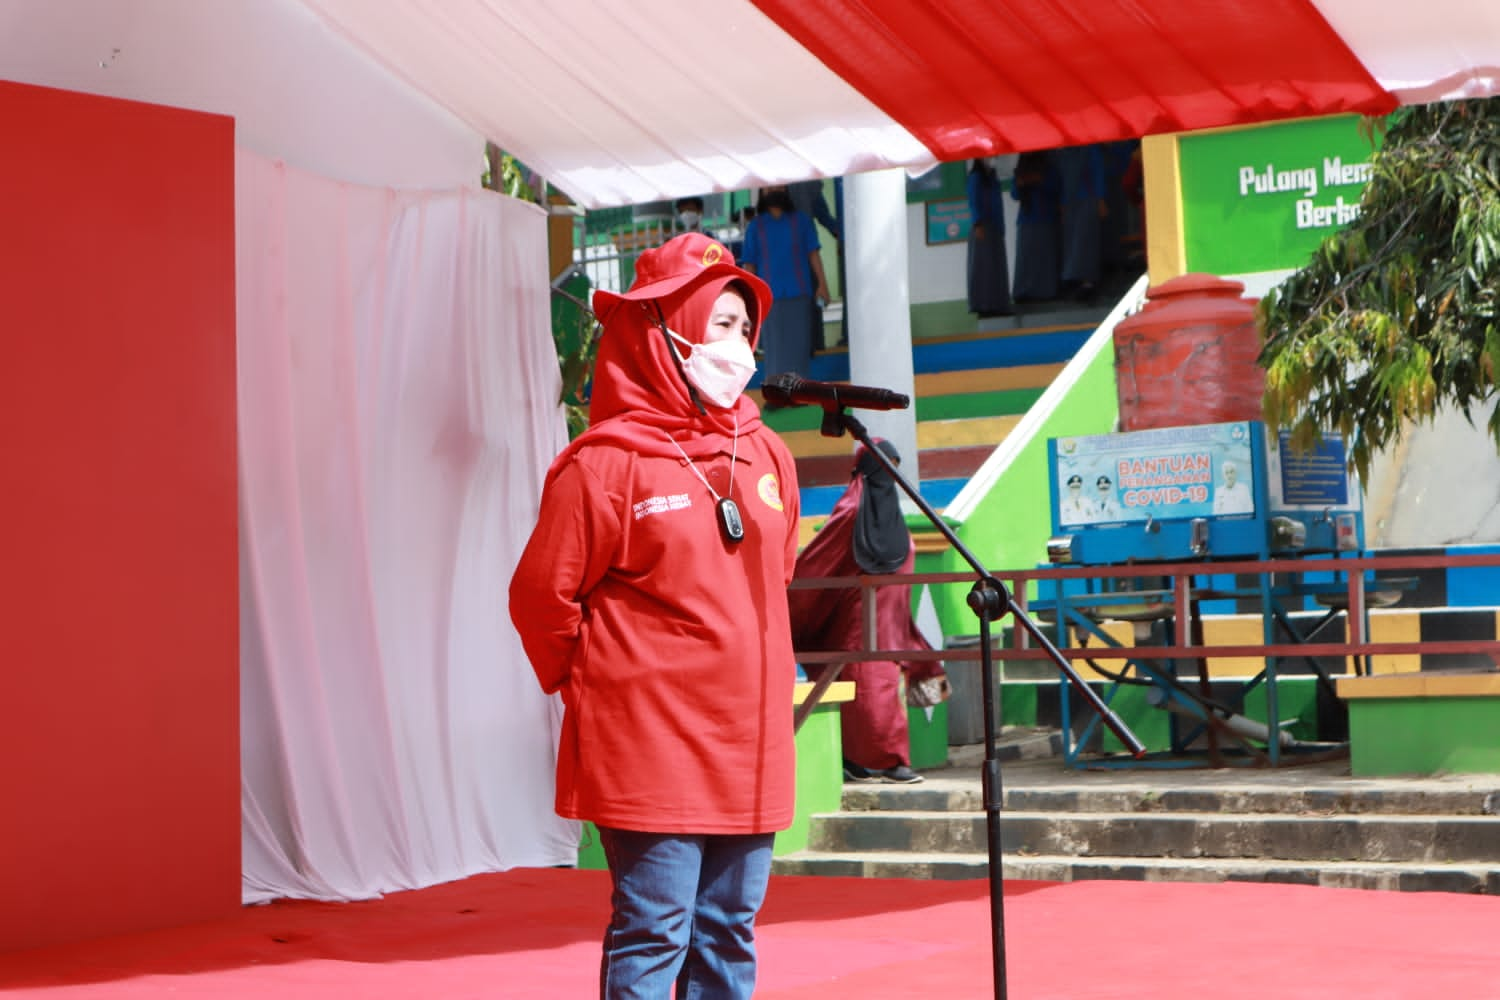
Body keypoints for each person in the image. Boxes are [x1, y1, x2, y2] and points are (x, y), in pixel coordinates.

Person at [509, 232, 801, 1000]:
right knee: (656, 929)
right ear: (662, 336)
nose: (739, 347)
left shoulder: (769, 453)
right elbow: (541, 597)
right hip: (650, 741)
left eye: (746, 328)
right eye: (721, 325)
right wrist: (602, 686)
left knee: (728, 934)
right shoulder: (604, 465)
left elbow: (776, 577)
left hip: (751, 738)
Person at [788, 440, 948, 785]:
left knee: (881, 690)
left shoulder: (889, 514)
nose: (889, 474)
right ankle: (884, 762)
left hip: (891, 621)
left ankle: (878, 761)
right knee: (867, 694)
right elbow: (817, 562)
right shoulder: (852, 510)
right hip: (856, 621)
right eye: (883, 465)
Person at [741, 184, 829, 378]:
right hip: (768, 298)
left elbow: (813, 254)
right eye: (769, 188)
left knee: (799, 344)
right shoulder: (756, 227)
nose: (774, 191)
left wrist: (822, 285)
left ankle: (801, 391)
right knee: (774, 347)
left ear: (786, 191)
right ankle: (777, 394)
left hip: (799, 293)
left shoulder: (802, 222)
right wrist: (750, 297)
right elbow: (750, 266)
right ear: (762, 193)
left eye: (779, 188)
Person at [1010, 149, 1062, 303]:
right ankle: (1024, 292)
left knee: (1045, 257)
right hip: (1026, 219)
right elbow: (1014, 194)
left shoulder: (1049, 168)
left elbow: (1055, 187)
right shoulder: (1020, 170)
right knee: (1026, 258)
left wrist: (1038, 181)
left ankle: (1046, 292)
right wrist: (1023, 182)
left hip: (1045, 217)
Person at [966, 158, 1013, 318]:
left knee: (996, 267)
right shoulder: (975, 177)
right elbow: (974, 201)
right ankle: (984, 306)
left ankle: (998, 305)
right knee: (983, 269)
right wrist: (978, 222)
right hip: (983, 228)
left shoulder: (993, 177)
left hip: (995, 228)